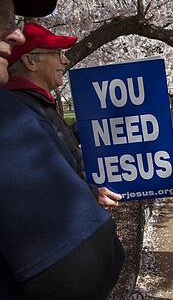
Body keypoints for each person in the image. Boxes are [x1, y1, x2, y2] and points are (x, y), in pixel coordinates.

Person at [0, 0, 124, 300]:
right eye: (2, 17)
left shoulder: (34, 109)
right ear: (29, 61)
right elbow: (78, 271)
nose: (16, 34)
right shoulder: (15, 121)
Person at [5, 22, 122, 210]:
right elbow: (49, 180)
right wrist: (91, 193)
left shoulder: (36, 104)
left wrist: (85, 128)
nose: (65, 60)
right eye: (58, 53)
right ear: (30, 61)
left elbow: (56, 145)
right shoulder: (23, 113)